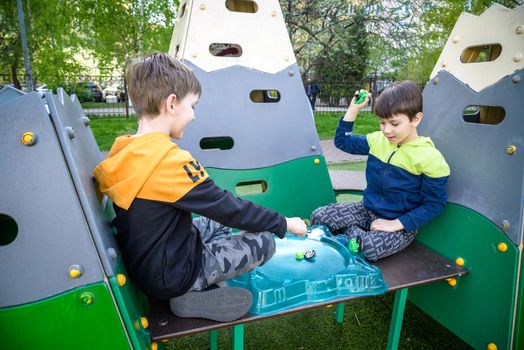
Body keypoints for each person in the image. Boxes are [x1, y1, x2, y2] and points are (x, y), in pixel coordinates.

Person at [93, 52, 308, 322]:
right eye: (192, 105)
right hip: (173, 276)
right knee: (264, 240)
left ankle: (198, 280)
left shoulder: (125, 150)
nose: (194, 116)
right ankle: (190, 293)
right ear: (171, 104)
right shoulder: (168, 162)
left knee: (216, 224)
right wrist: (284, 223)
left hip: (148, 263)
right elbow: (229, 207)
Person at [311, 81, 450, 261]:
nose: (386, 130)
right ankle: (355, 234)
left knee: (368, 248)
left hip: (399, 224)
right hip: (365, 210)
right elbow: (342, 142)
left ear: (416, 119)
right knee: (319, 216)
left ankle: (352, 236)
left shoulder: (431, 159)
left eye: (394, 123)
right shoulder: (378, 141)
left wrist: (396, 224)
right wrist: (354, 109)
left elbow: (435, 204)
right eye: (382, 123)